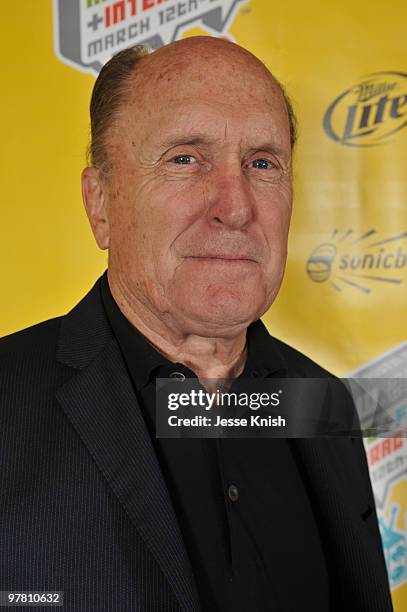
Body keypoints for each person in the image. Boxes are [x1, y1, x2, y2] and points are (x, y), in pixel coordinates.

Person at [0, 37, 392, 612]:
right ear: (100, 202)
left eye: (262, 163)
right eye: (185, 158)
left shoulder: (324, 402)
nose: (235, 206)